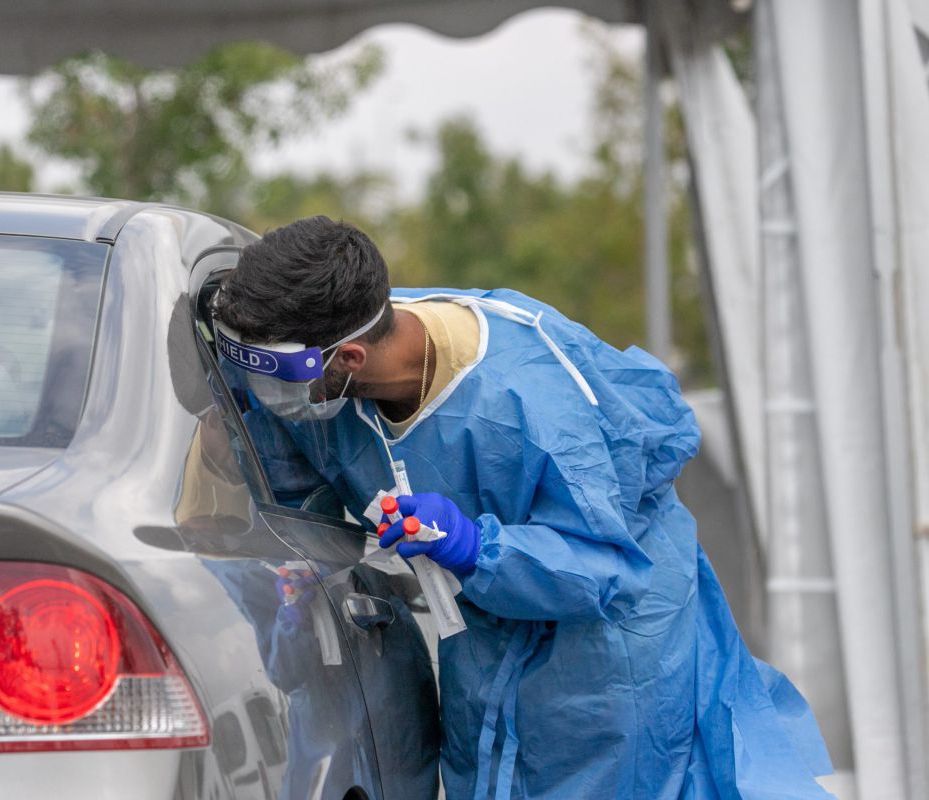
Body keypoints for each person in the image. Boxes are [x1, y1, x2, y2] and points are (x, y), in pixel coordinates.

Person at [210, 216, 834, 800]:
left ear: (349, 359)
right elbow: (292, 470)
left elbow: (606, 564)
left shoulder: (531, 400)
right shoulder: (332, 359)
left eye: (279, 379)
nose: (274, 400)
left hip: (606, 656)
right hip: (481, 644)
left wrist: (476, 548)